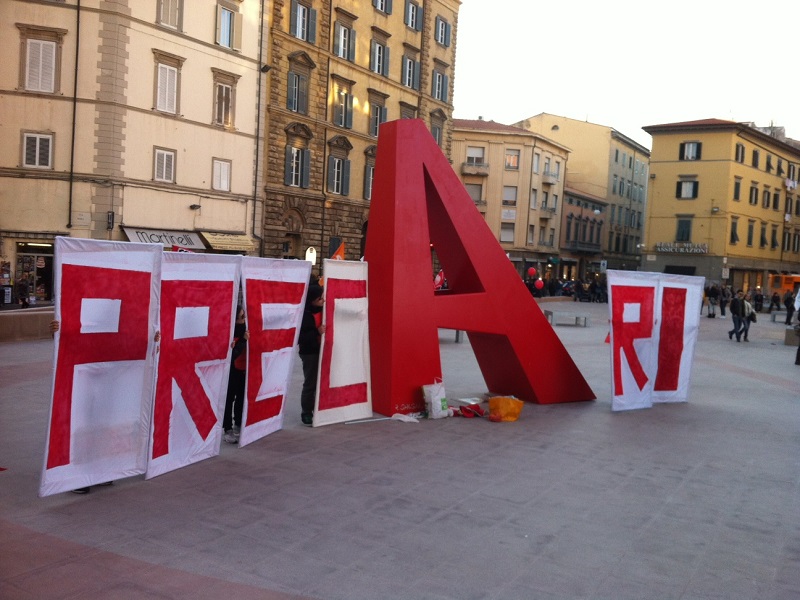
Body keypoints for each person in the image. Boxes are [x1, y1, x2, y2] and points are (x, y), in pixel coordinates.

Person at [50, 320, 160, 493]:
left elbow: (135, 340)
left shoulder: (118, 320)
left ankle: (101, 471)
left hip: (110, 380)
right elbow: (68, 340)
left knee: (104, 425)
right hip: (85, 378)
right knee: (83, 426)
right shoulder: (87, 318)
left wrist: (153, 340)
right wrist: (58, 331)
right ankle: (80, 476)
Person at [298, 284, 325, 426]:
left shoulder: (324, 310)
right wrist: (317, 332)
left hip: (323, 349)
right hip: (310, 352)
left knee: (322, 381)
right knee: (310, 383)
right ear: (312, 300)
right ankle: (306, 412)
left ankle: (319, 408)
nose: (323, 301)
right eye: (320, 299)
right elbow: (300, 337)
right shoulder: (305, 314)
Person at [223, 307, 248, 444]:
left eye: (244, 316)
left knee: (241, 398)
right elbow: (231, 355)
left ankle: (238, 422)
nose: (243, 320)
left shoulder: (246, 330)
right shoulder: (231, 333)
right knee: (229, 399)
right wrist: (243, 341)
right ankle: (227, 428)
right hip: (232, 370)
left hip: (244, 369)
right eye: (240, 317)